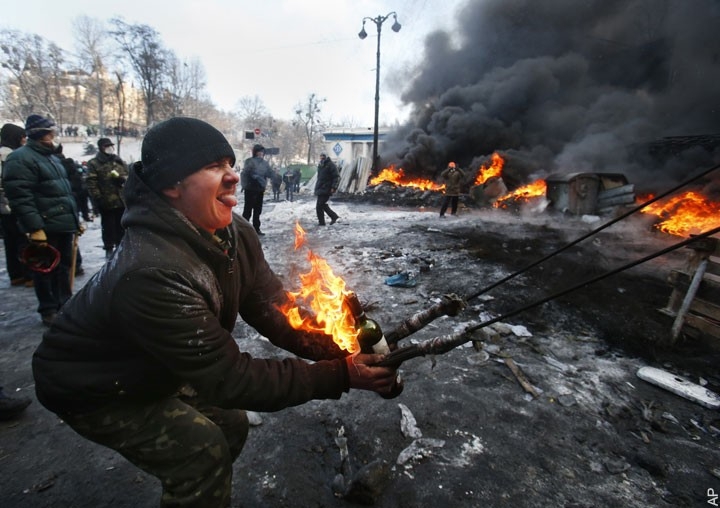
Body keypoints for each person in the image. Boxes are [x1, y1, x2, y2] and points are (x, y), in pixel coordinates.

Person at [31, 117, 399, 507]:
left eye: (229, 163)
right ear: (171, 184)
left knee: (230, 425)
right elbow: (230, 379)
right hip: (94, 384)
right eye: (212, 167)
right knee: (200, 453)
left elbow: (275, 309)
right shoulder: (150, 272)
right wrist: (341, 375)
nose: (233, 177)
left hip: (154, 363)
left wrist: (341, 348)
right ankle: (196, 483)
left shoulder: (235, 231)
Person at [3, 114, 80, 326]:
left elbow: (64, 192)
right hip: (45, 225)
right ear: (39, 134)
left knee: (64, 266)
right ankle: (48, 308)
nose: (53, 136)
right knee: (46, 268)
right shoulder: (21, 158)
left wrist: (75, 220)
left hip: (62, 223)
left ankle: (64, 303)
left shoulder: (52, 158)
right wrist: (34, 227)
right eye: (49, 132)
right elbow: (21, 196)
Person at [0, 122, 32, 287]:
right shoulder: (13, 157)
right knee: (23, 241)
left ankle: (15, 274)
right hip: (14, 206)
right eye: (22, 137)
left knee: (10, 242)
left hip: (3, 209)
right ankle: (28, 274)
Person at [86, 137, 128, 258]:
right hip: (106, 202)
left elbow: (128, 175)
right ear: (101, 148)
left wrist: (121, 179)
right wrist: (98, 198)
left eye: (110, 145)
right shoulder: (94, 163)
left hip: (121, 201)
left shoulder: (118, 161)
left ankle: (122, 249)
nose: (109, 148)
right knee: (108, 228)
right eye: (106, 146)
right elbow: (91, 182)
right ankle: (109, 249)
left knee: (122, 227)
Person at [241, 143, 273, 235]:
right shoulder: (249, 161)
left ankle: (256, 229)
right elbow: (246, 173)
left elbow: (269, 173)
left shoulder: (265, 163)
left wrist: (276, 177)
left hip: (259, 190)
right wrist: (246, 184)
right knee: (247, 211)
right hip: (250, 190)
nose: (261, 155)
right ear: (255, 153)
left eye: (262, 153)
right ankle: (243, 230)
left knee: (257, 211)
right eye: (259, 153)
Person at [315, 152, 340, 226]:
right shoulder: (320, 165)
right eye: (321, 156)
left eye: (323, 156)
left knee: (320, 205)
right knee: (320, 205)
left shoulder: (331, 165)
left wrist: (333, 187)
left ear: (326, 156)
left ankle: (325, 220)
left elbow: (336, 177)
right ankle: (331, 217)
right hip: (320, 188)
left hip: (327, 188)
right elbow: (319, 178)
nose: (322, 157)